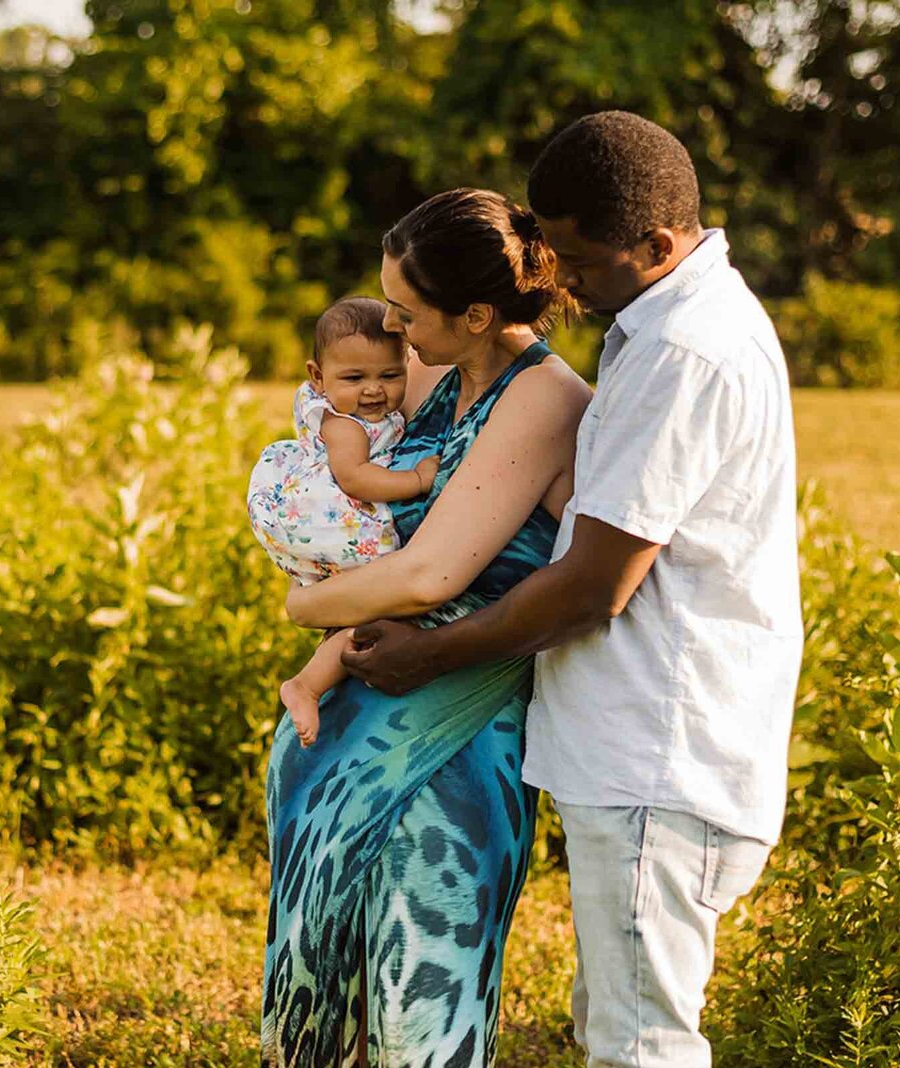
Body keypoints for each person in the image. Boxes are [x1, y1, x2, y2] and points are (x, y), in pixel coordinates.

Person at [336, 112, 803, 1067]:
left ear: (657, 243)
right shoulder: (660, 321)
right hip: (635, 748)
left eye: (579, 261)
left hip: (660, 753)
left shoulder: (685, 352)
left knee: (641, 1047)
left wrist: (432, 652)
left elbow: (596, 584)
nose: (558, 281)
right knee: (609, 1028)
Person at [260, 187, 591, 1067]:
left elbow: (428, 574)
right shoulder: (439, 372)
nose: (392, 331)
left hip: (457, 725)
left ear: (477, 313)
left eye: (407, 314)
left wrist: (302, 603)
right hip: (364, 707)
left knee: (420, 989)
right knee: (340, 977)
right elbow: (329, 417)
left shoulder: (544, 398)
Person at [246, 297, 441, 747]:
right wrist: (415, 480)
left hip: (338, 522)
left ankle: (307, 685)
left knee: (362, 619)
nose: (373, 390)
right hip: (337, 520)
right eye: (354, 378)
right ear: (318, 377)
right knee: (380, 604)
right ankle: (306, 686)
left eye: (389, 375)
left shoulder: (367, 413)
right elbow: (355, 478)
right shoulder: (344, 425)